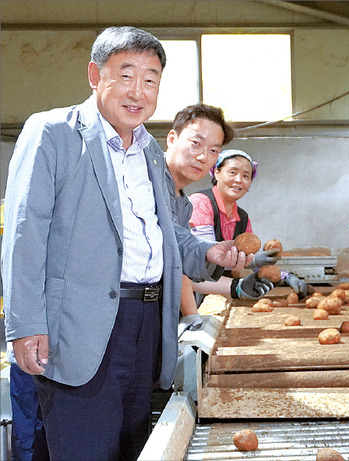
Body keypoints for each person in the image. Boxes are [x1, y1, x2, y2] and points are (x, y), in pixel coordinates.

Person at [2, 26, 251, 460]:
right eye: (126, 75)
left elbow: (165, 231)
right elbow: (25, 232)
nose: (139, 91)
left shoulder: (150, 151)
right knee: (84, 449)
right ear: (95, 75)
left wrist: (207, 253)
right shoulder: (54, 133)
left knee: (132, 446)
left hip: (146, 323)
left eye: (151, 79)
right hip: (81, 324)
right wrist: (25, 325)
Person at [163, 104, 275, 332]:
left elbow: (181, 263)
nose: (203, 156)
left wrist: (263, 267)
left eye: (213, 150)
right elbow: (193, 268)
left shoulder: (183, 203)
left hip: (180, 306)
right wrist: (236, 286)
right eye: (196, 143)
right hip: (184, 299)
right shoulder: (199, 203)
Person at [189, 149, 308, 297]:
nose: (239, 180)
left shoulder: (242, 217)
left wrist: (286, 277)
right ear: (217, 173)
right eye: (232, 172)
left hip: (221, 291)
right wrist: (252, 261)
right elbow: (206, 256)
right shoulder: (201, 202)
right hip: (193, 290)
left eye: (246, 175)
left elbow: (255, 261)